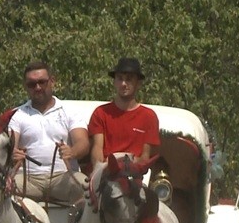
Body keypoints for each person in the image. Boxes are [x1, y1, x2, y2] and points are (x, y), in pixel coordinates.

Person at [8, 61, 89, 203]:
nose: (37, 87)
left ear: (52, 81)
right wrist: (12, 153)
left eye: (42, 82)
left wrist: (72, 152)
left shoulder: (69, 111)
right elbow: (9, 144)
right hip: (28, 179)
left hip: (62, 178)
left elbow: (83, 143)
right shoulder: (17, 115)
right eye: (32, 84)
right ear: (25, 87)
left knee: (86, 187)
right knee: (1, 188)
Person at [88, 57, 160, 164]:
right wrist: (100, 169)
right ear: (115, 82)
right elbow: (97, 149)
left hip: (134, 175)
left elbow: (145, 158)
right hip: (106, 173)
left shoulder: (149, 116)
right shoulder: (100, 113)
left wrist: (123, 162)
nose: (123, 84)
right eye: (120, 78)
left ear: (138, 83)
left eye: (129, 79)